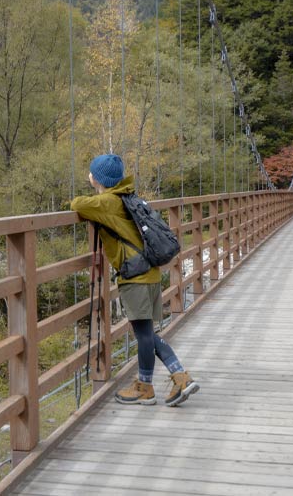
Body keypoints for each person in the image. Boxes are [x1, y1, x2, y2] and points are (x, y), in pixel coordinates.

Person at [70, 153, 199, 406]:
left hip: (135, 275)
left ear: (97, 177)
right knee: (147, 332)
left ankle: (167, 380)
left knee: (144, 334)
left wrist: (94, 186)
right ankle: (158, 382)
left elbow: (77, 205)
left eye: (92, 173)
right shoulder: (130, 197)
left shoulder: (108, 201)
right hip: (149, 272)